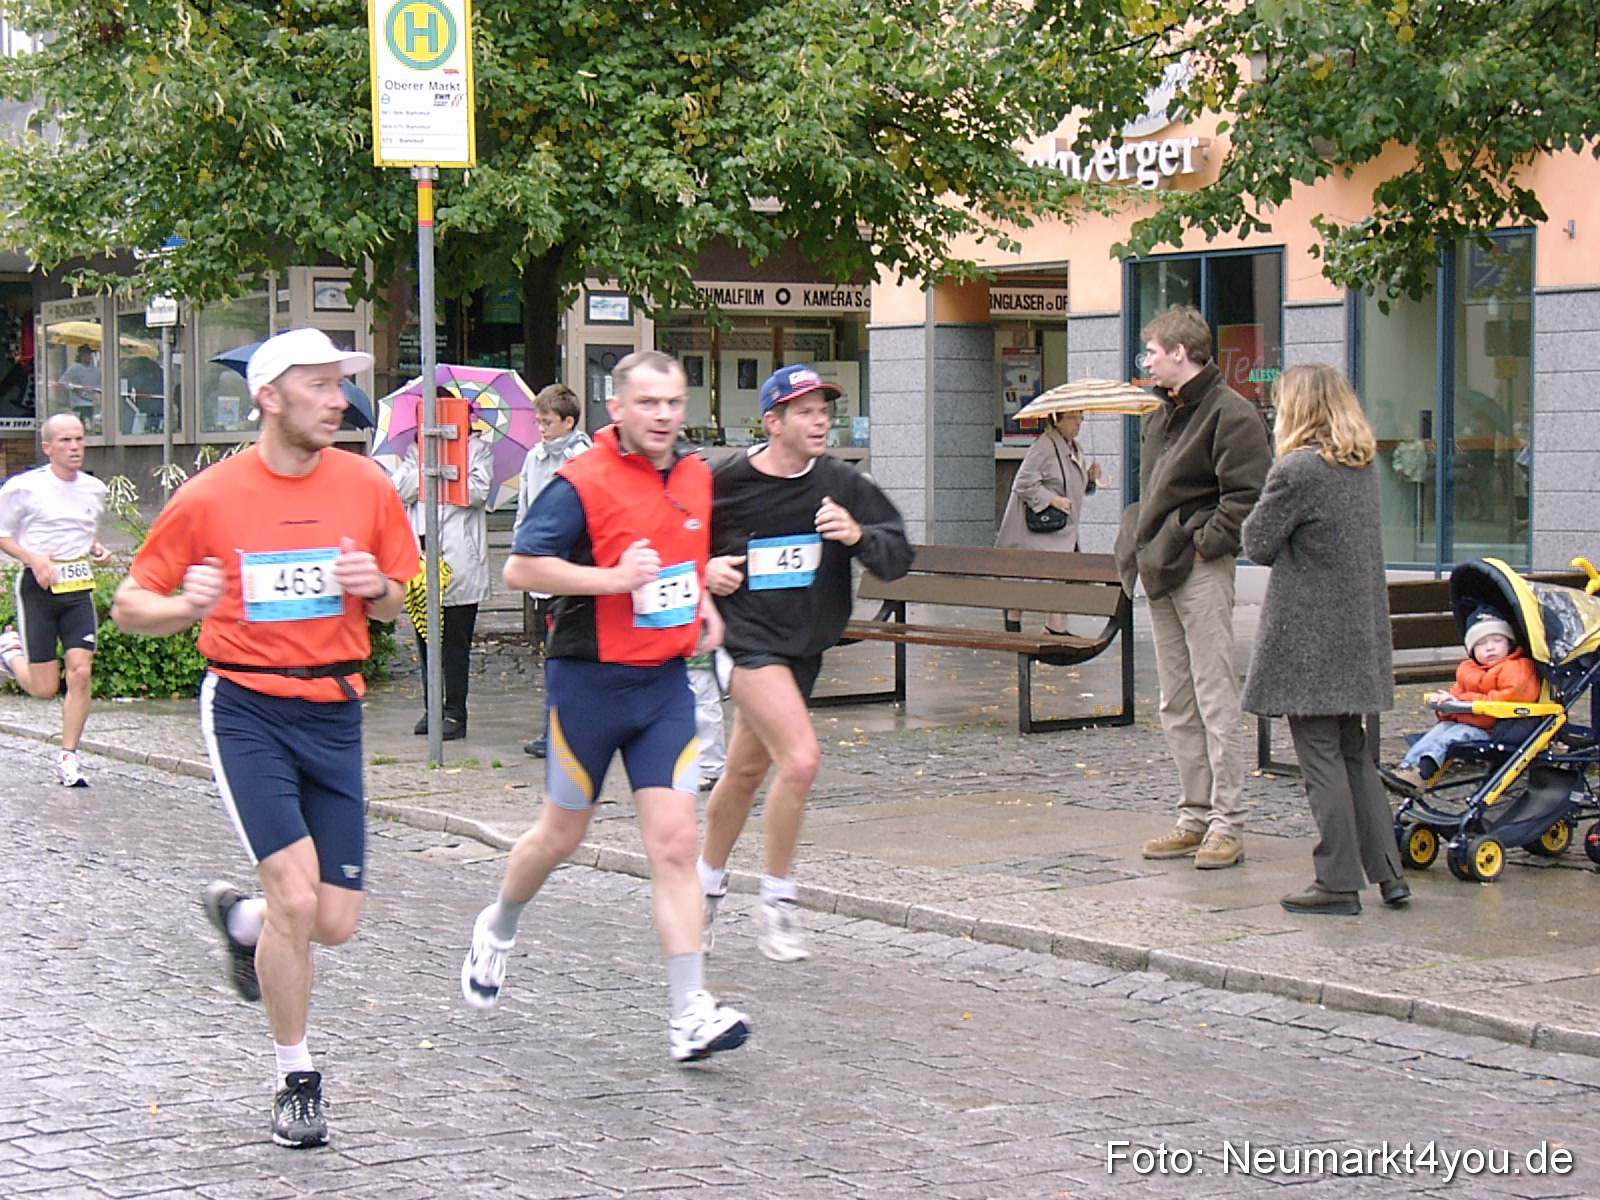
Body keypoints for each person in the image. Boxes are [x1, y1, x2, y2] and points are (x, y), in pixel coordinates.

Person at [110, 328, 418, 1149]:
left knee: (335, 919)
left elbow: (396, 598)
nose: (339, 400)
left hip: (336, 708)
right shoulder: (210, 497)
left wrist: (376, 588)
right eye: (319, 385)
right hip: (247, 707)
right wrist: (188, 606)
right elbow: (129, 605)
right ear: (270, 397)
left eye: (341, 386)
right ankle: (296, 1077)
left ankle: (244, 924)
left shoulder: (367, 483)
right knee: (296, 893)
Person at [458, 349, 749, 1065]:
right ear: (616, 408)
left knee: (675, 847)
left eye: (673, 402)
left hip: (661, 690)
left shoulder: (693, 476)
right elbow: (522, 568)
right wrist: (612, 578)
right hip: (588, 684)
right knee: (559, 838)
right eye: (648, 402)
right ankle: (496, 928)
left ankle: (688, 1013)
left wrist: (704, 600)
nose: (663, 416)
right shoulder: (580, 480)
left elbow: (682, 559)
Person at [699, 364, 913, 961]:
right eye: (806, 411)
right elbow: (671, 539)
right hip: (744, 642)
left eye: (825, 410)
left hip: (804, 647)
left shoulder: (843, 484)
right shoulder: (725, 482)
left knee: (743, 774)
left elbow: (898, 556)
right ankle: (778, 899)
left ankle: (704, 888)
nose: (820, 420)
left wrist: (855, 537)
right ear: (773, 422)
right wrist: (701, 571)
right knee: (801, 760)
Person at [1240, 363, 1408, 916]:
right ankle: (1387, 873)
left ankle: (1336, 881)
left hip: (1309, 641)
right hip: (1354, 635)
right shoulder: (1360, 466)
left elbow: (1258, 542)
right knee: (1354, 754)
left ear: (1299, 409)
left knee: (1320, 760)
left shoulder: (1297, 469)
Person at [1115, 305, 1271, 871]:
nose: (1146, 361)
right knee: (1176, 700)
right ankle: (1194, 815)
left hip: (1198, 568)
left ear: (1181, 352)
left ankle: (1227, 823)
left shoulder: (1231, 413)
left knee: (1214, 695)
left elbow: (1247, 494)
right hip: (1160, 567)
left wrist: (1204, 541)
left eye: (1151, 351)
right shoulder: (1161, 415)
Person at [0, 413, 113, 787]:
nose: (75, 447)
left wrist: (97, 549)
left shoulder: (94, 489)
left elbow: (86, 530)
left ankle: (69, 757)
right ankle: (9, 651)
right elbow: (2, 534)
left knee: (81, 671)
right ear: (48, 448)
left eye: (79, 439)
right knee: (45, 687)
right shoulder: (23, 488)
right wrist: (33, 559)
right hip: (39, 589)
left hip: (77, 589)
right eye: (65, 441)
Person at [388, 392, 494, 740]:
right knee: (425, 637)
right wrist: (427, 464)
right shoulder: (415, 452)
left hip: (460, 558)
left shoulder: (478, 449)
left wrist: (446, 468)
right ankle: (431, 707)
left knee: (455, 643)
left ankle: (455, 711)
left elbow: (476, 491)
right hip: (422, 559)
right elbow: (399, 489)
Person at [1379, 609, 1539, 795]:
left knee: (1453, 735)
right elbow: (1457, 694)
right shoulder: (1468, 669)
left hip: (1501, 727)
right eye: (1481, 644)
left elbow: (1508, 701)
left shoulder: (1516, 668)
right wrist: (1446, 704)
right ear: (1472, 650)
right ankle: (1407, 770)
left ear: (1509, 643)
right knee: (1441, 729)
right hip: (1474, 721)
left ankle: (1423, 771)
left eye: (1497, 641)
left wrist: (1462, 702)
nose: (1490, 648)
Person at [513, 383, 591, 757]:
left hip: (571, 570)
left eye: (547, 422)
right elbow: (525, 509)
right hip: (543, 567)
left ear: (568, 422)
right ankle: (556, 730)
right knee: (553, 653)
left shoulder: (583, 457)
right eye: (538, 421)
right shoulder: (535, 458)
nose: (541, 429)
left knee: (563, 655)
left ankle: (560, 732)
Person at [995, 407, 1102, 632]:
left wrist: (1089, 479)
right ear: (1057, 421)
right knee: (1033, 576)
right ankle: (1016, 619)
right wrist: (1053, 500)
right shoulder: (1044, 446)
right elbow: (1023, 482)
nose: (1078, 423)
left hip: (1061, 529)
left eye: (1080, 418)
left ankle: (1054, 625)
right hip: (1039, 528)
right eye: (1072, 418)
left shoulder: (1075, 448)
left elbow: (1074, 488)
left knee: (1058, 575)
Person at [56, 345, 101, 432]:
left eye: (88, 354)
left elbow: (101, 385)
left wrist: (98, 391)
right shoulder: (74, 368)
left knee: (90, 425)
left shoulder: (96, 371)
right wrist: (73, 388)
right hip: (78, 404)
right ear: (79, 356)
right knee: (80, 426)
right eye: (84, 354)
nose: (87, 357)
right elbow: (62, 382)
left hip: (92, 404)